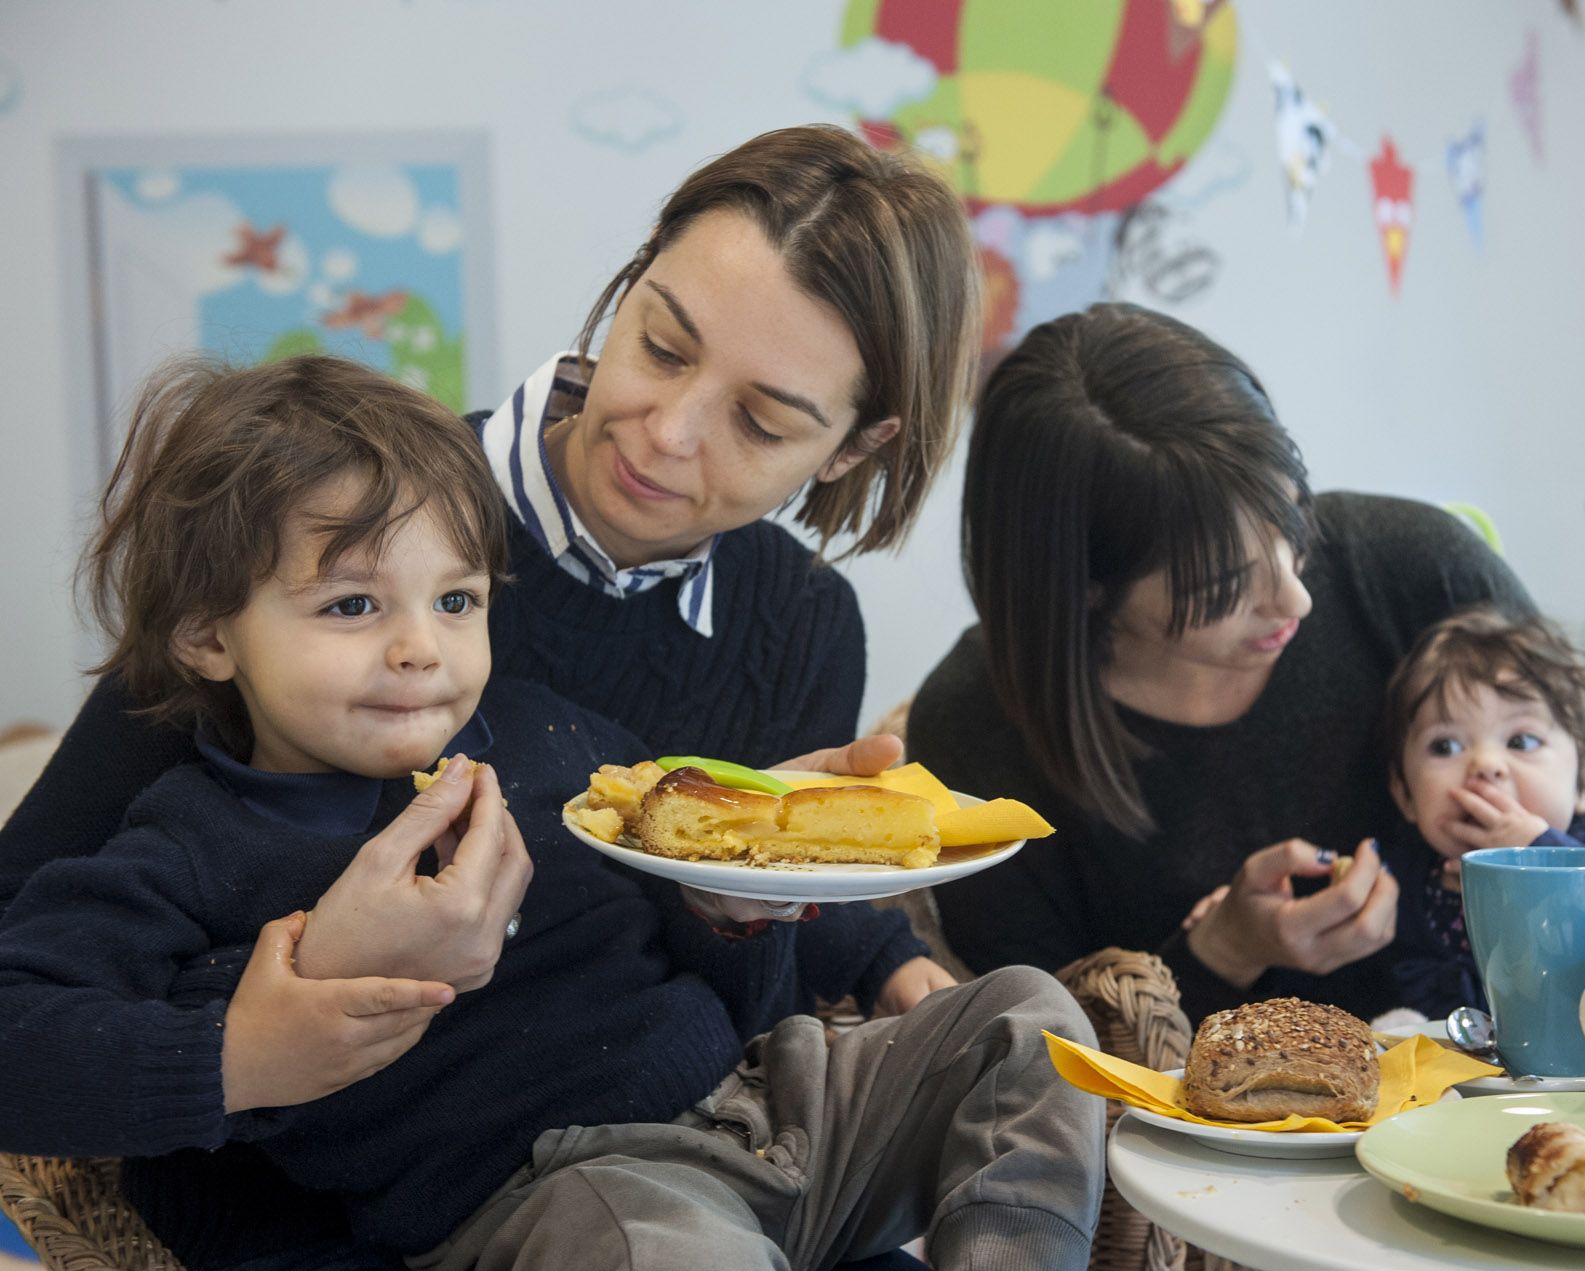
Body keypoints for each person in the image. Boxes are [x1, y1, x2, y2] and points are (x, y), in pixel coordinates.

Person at [0, 124, 982, 1264]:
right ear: (632, 278)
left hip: (703, 1164)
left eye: (761, 420)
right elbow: (40, 936)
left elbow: (740, 1004)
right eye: (661, 345)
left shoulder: (794, 624)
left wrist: (779, 905)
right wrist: (283, 1007)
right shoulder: (337, 531)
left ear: (856, 446)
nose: (666, 434)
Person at [909, 303, 1585, 1028]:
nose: (1294, 600)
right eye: (1227, 587)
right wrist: (1224, 950)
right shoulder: (980, 724)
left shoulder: (1409, 566)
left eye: (1293, 531)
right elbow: (1039, 1043)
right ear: (1089, 588)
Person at [1375, 607, 1585, 1018]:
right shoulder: (1402, 877)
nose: (1486, 765)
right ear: (1405, 794)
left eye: (1521, 741)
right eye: (1446, 747)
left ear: (1584, 780)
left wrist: (1544, 852)